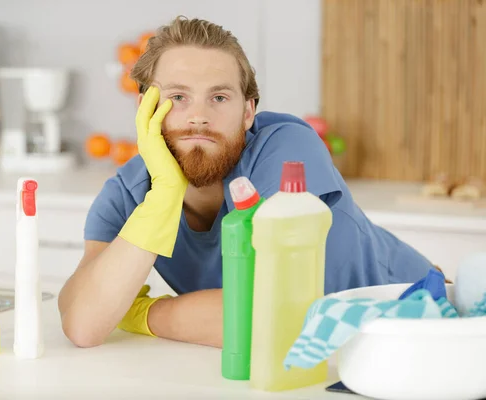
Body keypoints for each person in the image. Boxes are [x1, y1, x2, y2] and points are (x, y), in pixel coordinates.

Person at [58, 15, 437, 349]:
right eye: (178, 97)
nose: (199, 117)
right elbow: (83, 323)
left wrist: (143, 313)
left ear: (247, 112)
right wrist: (164, 196)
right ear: (147, 108)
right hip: (321, 357)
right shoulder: (127, 193)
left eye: (219, 97)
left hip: (419, 318)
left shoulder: (285, 148)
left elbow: (278, 314)